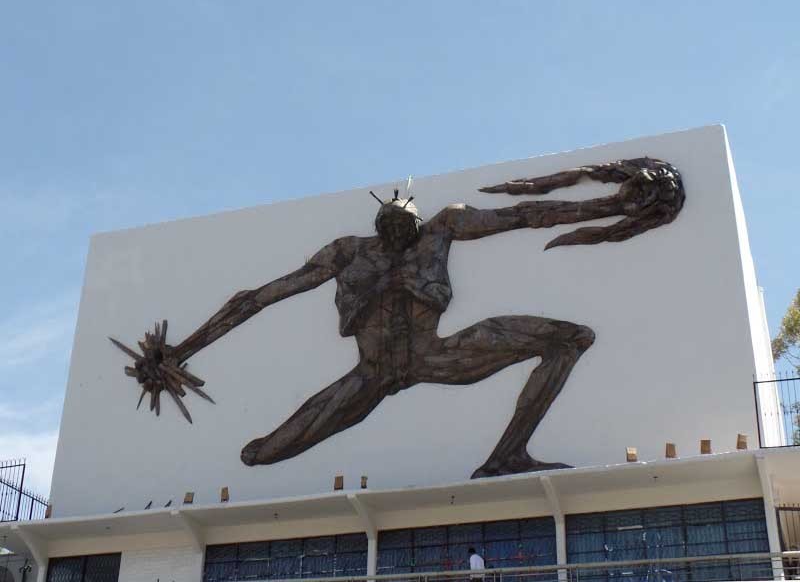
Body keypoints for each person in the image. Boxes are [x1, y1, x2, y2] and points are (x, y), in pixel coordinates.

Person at [113, 159, 684, 478]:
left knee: (570, 338)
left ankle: (506, 456)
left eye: (403, 223)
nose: (397, 232)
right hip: (372, 375)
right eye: (389, 224)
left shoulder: (443, 230)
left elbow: (527, 215)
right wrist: (180, 351)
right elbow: (258, 297)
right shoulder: (346, 254)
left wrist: (610, 205)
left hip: (441, 357)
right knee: (258, 455)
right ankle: (270, 450)